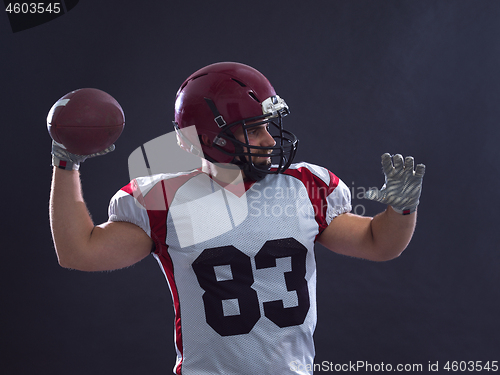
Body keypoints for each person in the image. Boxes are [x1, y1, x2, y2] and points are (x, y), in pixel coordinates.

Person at [49, 62, 425, 375]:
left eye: (268, 125)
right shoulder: (165, 200)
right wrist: (66, 163)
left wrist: (402, 207)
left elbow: (380, 243)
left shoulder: (305, 187)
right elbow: (79, 252)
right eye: (254, 129)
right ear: (212, 138)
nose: (269, 140)